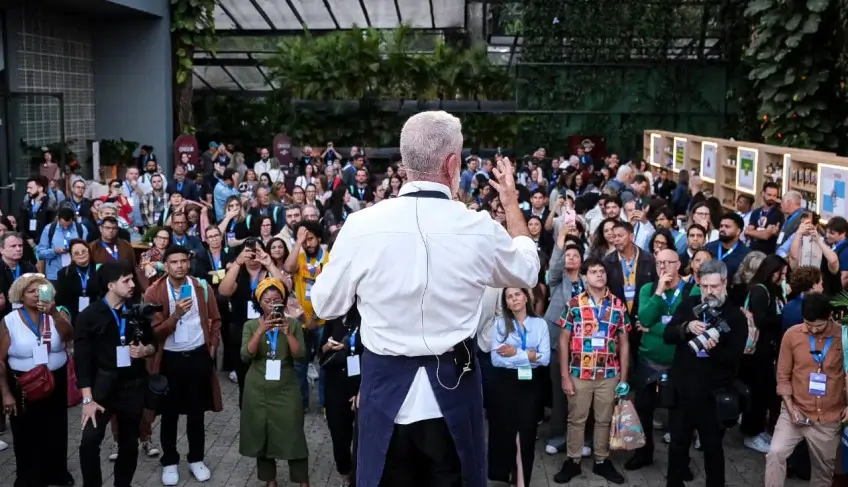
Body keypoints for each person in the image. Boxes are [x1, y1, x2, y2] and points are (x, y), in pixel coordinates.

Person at [310, 111, 540, 487]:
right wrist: (511, 203)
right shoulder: (478, 228)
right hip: (453, 394)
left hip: (384, 393)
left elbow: (324, 305)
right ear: (452, 164)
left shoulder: (361, 226)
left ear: (406, 163)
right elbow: (528, 270)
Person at [662, 260, 748, 487]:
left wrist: (714, 349)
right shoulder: (689, 305)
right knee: (678, 444)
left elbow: (735, 357)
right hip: (683, 391)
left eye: (714, 286)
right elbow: (667, 335)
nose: (709, 292)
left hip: (713, 395)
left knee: (712, 448)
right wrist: (686, 328)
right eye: (705, 286)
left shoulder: (734, 315)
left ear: (725, 283)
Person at [144, 246, 222, 485]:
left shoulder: (201, 287)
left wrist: (211, 349)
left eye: (183, 261)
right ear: (166, 265)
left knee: (197, 413)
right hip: (170, 358)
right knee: (169, 414)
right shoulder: (154, 292)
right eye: (174, 262)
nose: (179, 266)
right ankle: (169, 461)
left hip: (198, 355)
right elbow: (154, 332)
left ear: (189, 263)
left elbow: (215, 319)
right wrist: (176, 314)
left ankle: (196, 458)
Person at [75, 261, 158, 487]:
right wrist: (87, 400)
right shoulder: (89, 316)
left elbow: (153, 343)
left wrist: (145, 350)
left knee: (129, 443)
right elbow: (82, 361)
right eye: (126, 281)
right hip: (101, 388)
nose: (132, 284)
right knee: (89, 442)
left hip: (132, 386)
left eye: (132, 279)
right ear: (111, 285)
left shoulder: (137, 310)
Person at [0, 274, 74, 486]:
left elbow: (69, 336)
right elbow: (0, 360)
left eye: (40, 290)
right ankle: (29, 477)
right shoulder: (9, 320)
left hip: (55, 381)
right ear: (20, 295)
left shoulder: (56, 313)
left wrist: (54, 313)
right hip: (23, 384)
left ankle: (56, 473)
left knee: (56, 429)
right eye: (31, 291)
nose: (36, 295)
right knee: (26, 432)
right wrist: (5, 393)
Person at [765, 292, 845, 487]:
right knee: (775, 453)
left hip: (828, 417)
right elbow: (783, 376)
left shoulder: (843, 337)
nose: (814, 330)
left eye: (819, 326)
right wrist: (790, 407)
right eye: (809, 325)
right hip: (795, 409)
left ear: (830, 317)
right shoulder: (792, 335)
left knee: (823, 471)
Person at [240, 278, 310, 487]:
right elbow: (246, 355)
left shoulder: (293, 324)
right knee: (262, 434)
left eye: (277, 300)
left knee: (293, 433)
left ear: (284, 302)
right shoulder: (251, 325)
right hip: (257, 388)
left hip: (285, 386)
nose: (272, 305)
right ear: (259, 302)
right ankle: (270, 480)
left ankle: (302, 480)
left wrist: (287, 333)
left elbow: (300, 354)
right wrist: (260, 331)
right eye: (267, 301)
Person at [487, 287, 550, 485]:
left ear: (526, 297)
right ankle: (507, 475)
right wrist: (529, 355)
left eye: (517, 294)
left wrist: (515, 353)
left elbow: (545, 358)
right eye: (509, 296)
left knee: (527, 433)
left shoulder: (540, 324)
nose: (514, 299)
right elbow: (496, 359)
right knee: (507, 431)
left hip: (531, 384)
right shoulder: (500, 324)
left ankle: (522, 480)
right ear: (506, 302)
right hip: (505, 384)